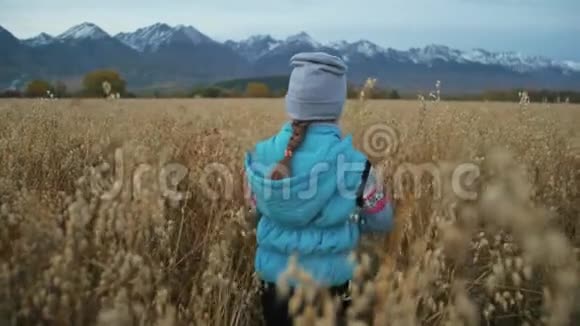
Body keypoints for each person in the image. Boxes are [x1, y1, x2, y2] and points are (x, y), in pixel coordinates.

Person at [243, 52, 394, 326]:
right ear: (337, 105)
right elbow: (382, 222)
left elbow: (253, 212)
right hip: (331, 287)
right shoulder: (356, 165)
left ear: (292, 102)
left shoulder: (261, 155)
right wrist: (354, 218)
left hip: (272, 285)